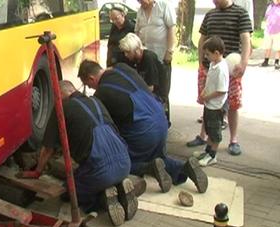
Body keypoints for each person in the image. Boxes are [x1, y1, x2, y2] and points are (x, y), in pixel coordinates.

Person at [78, 59, 208, 194]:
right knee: (157, 156)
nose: (91, 89)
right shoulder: (122, 67)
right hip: (161, 120)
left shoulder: (101, 94)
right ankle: (184, 168)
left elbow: (109, 128)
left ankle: (149, 168)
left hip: (145, 131)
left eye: (89, 85)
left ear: (91, 78)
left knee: (121, 162)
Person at [17, 80, 137, 226]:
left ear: (60, 94)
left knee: (69, 193)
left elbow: (48, 148)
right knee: (93, 172)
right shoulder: (96, 101)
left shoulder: (61, 108)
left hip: (101, 173)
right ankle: (120, 188)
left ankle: (103, 200)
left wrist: (38, 171)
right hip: (125, 163)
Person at [186, 0, 252, 156]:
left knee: (232, 104)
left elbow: (246, 40)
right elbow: (202, 39)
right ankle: (203, 136)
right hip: (209, 67)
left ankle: (233, 140)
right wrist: (201, 62)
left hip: (231, 68)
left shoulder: (240, 13)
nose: (213, 1)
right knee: (207, 100)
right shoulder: (210, 14)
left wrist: (243, 63)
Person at [135, 0, 176, 126]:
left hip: (161, 56)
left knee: (162, 89)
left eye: (143, 0)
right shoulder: (140, 11)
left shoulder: (164, 6)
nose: (142, 2)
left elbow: (171, 29)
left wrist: (170, 50)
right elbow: (137, 32)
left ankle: (164, 120)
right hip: (145, 58)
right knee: (147, 88)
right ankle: (152, 119)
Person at [193, 36, 229, 166]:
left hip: (216, 106)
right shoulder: (214, 64)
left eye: (208, 54)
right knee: (209, 128)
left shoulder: (221, 69)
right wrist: (203, 93)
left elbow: (222, 90)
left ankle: (212, 155)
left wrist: (207, 97)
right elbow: (210, 83)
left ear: (217, 53)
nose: (206, 57)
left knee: (215, 132)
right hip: (209, 104)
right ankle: (207, 151)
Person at [119, 33, 169, 125]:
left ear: (137, 50)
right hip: (148, 93)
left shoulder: (148, 59)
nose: (126, 55)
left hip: (157, 95)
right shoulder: (134, 60)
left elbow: (150, 88)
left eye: (128, 52)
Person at [260, 0, 280, 69]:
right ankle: (266, 60)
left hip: (278, 30)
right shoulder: (270, 6)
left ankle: (277, 61)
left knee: (278, 47)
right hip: (269, 29)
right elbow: (266, 16)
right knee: (267, 46)